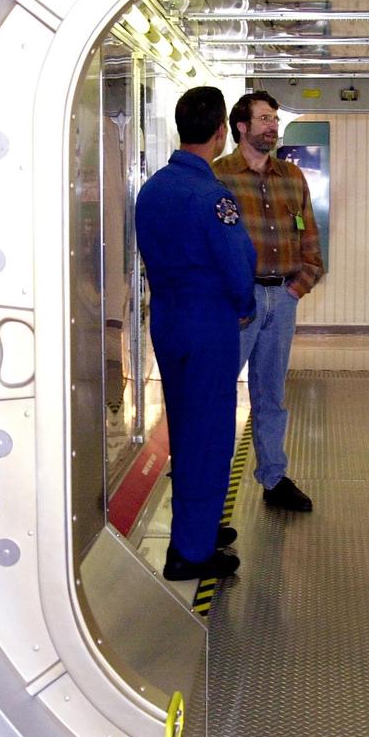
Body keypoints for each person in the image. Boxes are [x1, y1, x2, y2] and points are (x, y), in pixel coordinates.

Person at [135, 86, 257, 581]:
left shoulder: (153, 189)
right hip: (209, 324)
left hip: (167, 319)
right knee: (209, 435)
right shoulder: (213, 196)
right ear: (221, 132)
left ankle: (198, 525)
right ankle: (190, 552)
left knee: (184, 428)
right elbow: (237, 264)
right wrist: (245, 307)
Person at [213, 92, 324, 512]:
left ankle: (274, 479)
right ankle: (214, 484)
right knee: (221, 393)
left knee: (271, 394)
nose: (272, 126)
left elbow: (309, 235)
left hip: (283, 296)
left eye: (274, 119)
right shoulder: (219, 176)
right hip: (237, 302)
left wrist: (300, 284)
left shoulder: (292, 177)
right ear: (241, 127)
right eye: (263, 119)